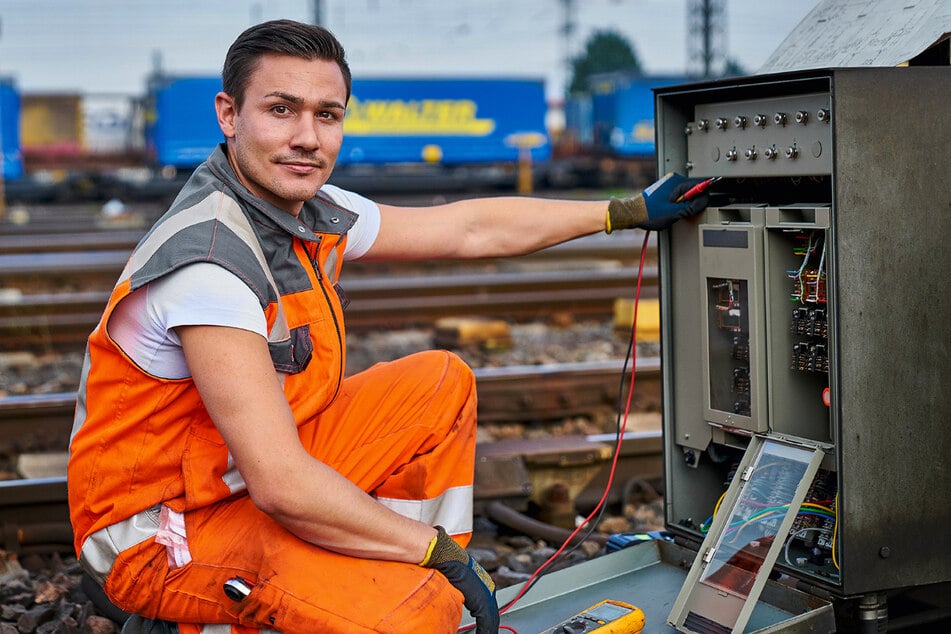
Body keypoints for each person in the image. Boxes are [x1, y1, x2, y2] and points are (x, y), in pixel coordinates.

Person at [67, 19, 708, 634]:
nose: (308, 138)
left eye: (328, 114)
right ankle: (198, 617)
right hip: (159, 530)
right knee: (415, 613)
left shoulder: (312, 210)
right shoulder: (209, 263)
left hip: (230, 476)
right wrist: (436, 552)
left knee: (438, 384)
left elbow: (469, 228)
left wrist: (621, 211)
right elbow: (282, 484)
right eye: (281, 109)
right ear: (229, 115)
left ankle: (360, 573)